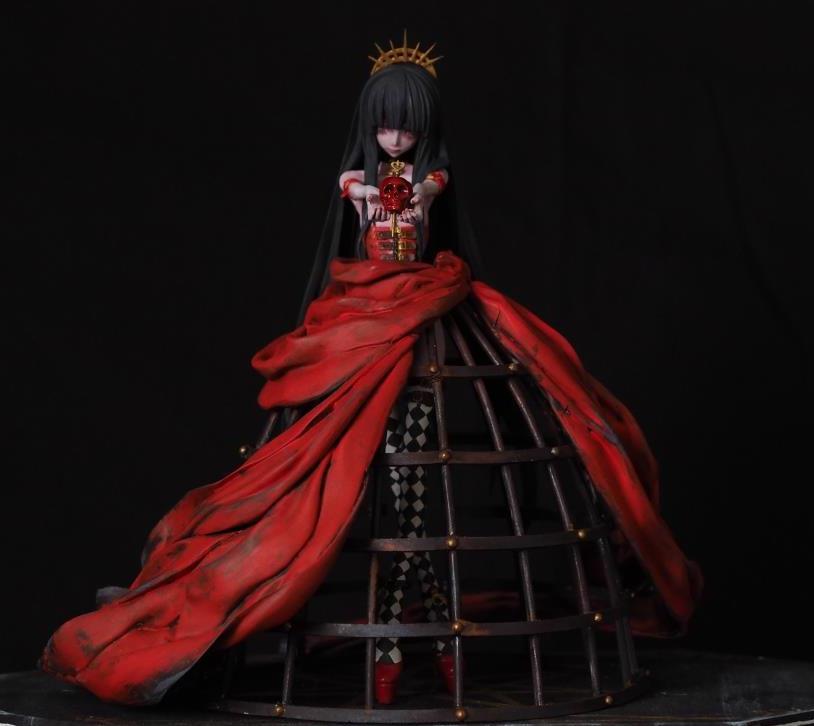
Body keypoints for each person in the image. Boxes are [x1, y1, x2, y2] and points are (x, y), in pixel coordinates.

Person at [37, 33, 703, 708]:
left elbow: (426, 192)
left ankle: (411, 646)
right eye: (385, 127)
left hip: (421, 309)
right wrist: (375, 195)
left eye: (407, 129)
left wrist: (413, 196)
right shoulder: (357, 183)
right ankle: (422, 643)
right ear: (369, 127)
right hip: (364, 315)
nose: (395, 139)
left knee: (411, 510)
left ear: (426, 133)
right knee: (392, 504)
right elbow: (361, 193)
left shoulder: (429, 181)